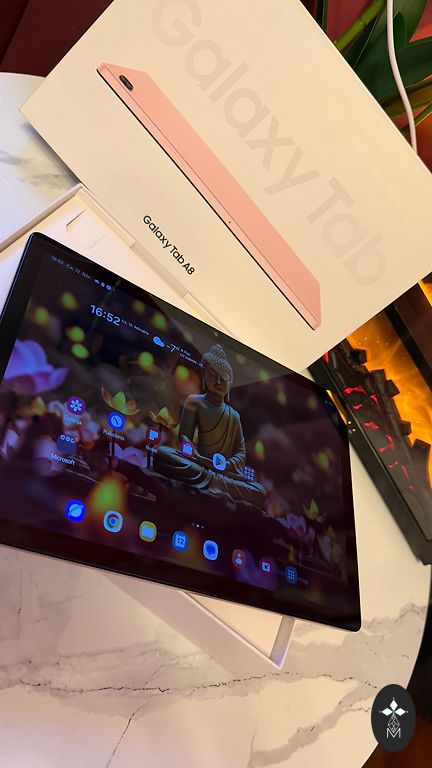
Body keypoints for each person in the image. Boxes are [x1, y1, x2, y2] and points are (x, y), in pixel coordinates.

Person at [154, 344, 266, 508]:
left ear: (230, 383)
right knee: (162, 453)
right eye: (213, 375)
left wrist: (226, 465)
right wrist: (197, 457)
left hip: (222, 472)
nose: (218, 382)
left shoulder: (233, 416)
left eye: (223, 378)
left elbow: (241, 453)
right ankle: (215, 484)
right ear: (204, 375)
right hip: (198, 463)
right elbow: (184, 438)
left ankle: (213, 483)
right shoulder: (194, 401)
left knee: (259, 491)